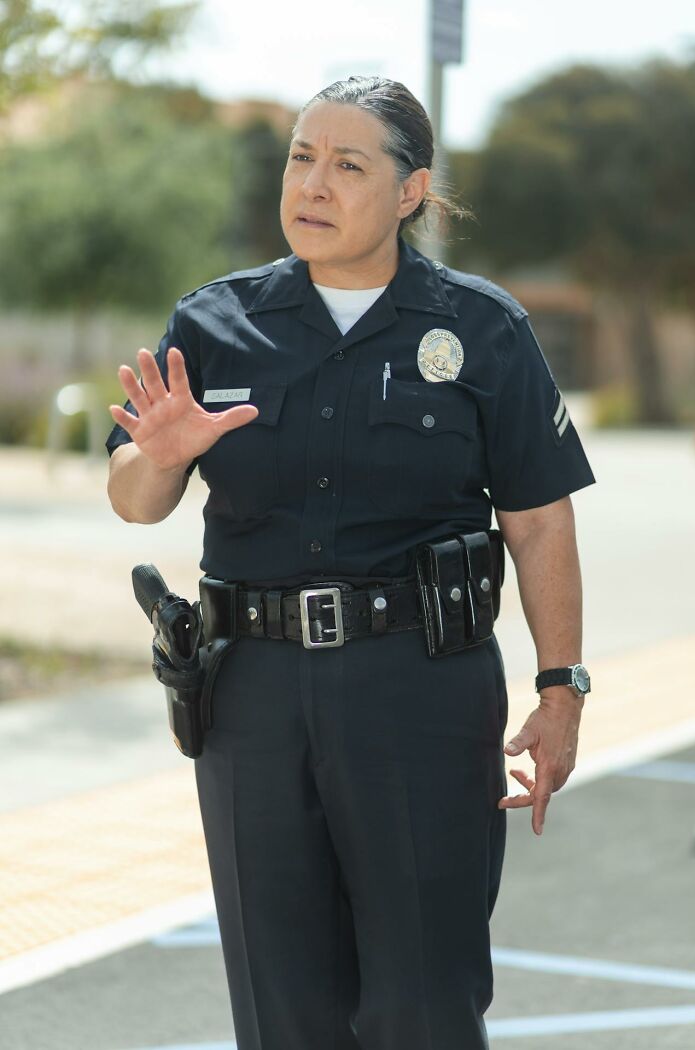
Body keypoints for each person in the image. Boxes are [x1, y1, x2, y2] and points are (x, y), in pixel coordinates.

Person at [106, 75, 595, 1050]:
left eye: (347, 164)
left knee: (423, 1000)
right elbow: (133, 497)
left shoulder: (479, 328)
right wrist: (158, 457)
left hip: (416, 687)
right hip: (251, 694)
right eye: (301, 158)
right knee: (282, 1007)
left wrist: (560, 689)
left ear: (409, 192)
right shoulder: (214, 322)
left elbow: (538, 520)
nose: (313, 184)